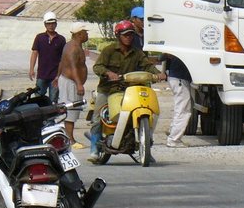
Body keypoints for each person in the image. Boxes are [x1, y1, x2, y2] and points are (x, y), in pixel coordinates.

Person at [88, 19, 167, 163]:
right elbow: (97, 67)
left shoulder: (137, 53)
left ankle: (146, 147)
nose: (128, 38)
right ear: (118, 36)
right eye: (125, 35)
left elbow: (148, 66)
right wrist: (108, 73)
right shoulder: (109, 50)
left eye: (131, 35)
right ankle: (94, 149)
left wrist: (158, 74)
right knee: (98, 117)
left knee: (146, 110)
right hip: (108, 90)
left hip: (129, 90)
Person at [53, 22, 90, 149]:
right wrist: (79, 84)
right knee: (71, 111)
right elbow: (73, 67)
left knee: (72, 111)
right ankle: (70, 140)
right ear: (79, 34)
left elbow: (62, 62)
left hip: (69, 81)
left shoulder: (72, 45)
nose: (87, 34)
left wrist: (58, 76)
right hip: (71, 83)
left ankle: (68, 138)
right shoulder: (73, 48)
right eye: (85, 32)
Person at [29, 11, 66, 102]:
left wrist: (61, 75)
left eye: (53, 24)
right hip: (42, 74)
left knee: (53, 99)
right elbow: (35, 53)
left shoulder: (61, 39)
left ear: (56, 24)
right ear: (45, 24)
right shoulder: (40, 38)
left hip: (55, 75)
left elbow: (64, 58)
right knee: (38, 98)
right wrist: (31, 69)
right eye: (48, 24)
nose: (51, 26)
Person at [164, 54, 193, 148]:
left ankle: (172, 131)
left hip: (175, 77)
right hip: (180, 78)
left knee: (179, 107)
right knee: (183, 110)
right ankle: (174, 139)